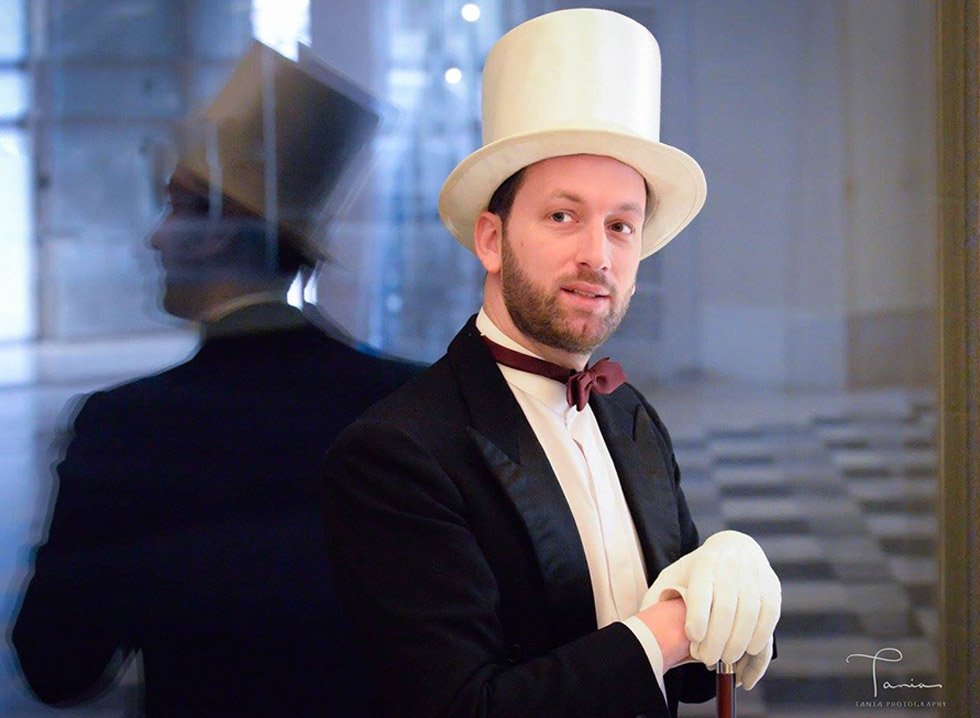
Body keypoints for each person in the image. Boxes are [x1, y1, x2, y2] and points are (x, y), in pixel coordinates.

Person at [320, 9, 780, 717]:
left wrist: (731, 581)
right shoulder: (398, 453)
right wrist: (664, 630)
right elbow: (463, 708)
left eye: (621, 225)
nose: (597, 254)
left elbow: (688, 677)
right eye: (563, 216)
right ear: (492, 239)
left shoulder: (627, 415)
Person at [11, 42, 419, 716]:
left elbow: (58, 666)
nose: (154, 240)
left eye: (174, 208)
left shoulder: (128, 425)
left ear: (217, 231)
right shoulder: (409, 401)